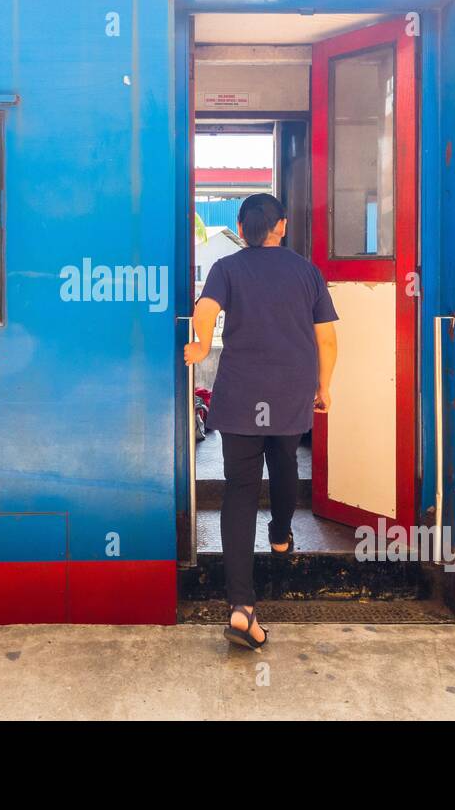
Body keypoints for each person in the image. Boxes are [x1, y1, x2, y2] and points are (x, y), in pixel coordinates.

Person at [184, 193, 338, 651]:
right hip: (290, 387)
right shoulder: (307, 271)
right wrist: (324, 386)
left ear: (239, 225)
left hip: (241, 389)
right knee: (286, 460)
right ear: (282, 226)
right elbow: (326, 339)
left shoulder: (227, 268)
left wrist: (199, 345)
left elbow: (205, 311)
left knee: (240, 488)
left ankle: (241, 607)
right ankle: (280, 533)